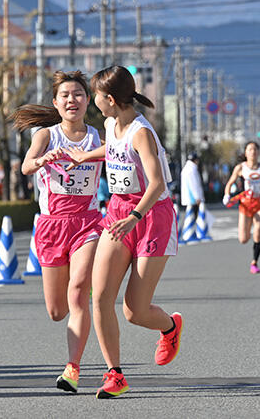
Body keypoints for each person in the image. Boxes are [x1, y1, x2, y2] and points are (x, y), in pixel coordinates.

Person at [64, 65, 181, 399]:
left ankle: (170, 327)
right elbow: (114, 150)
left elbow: (157, 183)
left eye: (95, 96)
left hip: (151, 216)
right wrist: (85, 155)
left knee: (134, 311)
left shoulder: (141, 132)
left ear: (110, 99)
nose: (92, 101)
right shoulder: (111, 123)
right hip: (118, 214)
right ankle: (114, 374)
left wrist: (135, 215)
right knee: (99, 296)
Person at [11, 70, 103, 394]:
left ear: (88, 101)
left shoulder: (97, 137)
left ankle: (72, 369)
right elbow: (24, 166)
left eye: (78, 94)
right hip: (52, 226)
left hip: (88, 223)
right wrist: (42, 160)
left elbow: (119, 152)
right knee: (56, 311)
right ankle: (77, 297)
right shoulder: (46, 136)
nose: (71, 100)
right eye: (65, 95)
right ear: (56, 102)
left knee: (78, 292)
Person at [223, 141, 260, 274]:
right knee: (243, 239)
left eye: (255, 149)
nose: (253, 152)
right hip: (245, 204)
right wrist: (226, 195)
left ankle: (254, 263)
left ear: (258, 152)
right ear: (245, 153)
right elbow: (230, 183)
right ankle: (247, 227)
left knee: (258, 233)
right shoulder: (240, 168)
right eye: (250, 149)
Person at [180, 151, 205, 218]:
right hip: (193, 199)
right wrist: (197, 197)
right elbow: (193, 185)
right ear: (196, 160)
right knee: (195, 218)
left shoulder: (186, 168)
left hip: (190, 198)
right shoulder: (192, 170)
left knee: (190, 218)